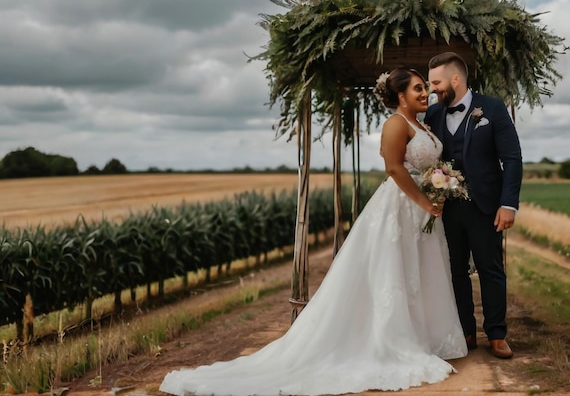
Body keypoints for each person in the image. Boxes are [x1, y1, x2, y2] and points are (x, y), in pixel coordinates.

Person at [159, 68, 468, 396]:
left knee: (419, 271)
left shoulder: (424, 124)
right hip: (402, 205)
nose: (425, 94)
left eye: (425, 88)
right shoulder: (396, 124)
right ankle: (391, 340)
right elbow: (393, 168)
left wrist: (439, 187)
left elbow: (426, 165)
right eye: (418, 89)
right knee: (394, 270)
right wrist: (424, 200)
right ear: (401, 96)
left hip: (422, 210)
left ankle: (424, 336)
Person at [425, 52, 523, 359]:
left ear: (456, 79)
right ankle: (465, 332)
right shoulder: (433, 115)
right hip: (447, 208)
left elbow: (512, 159)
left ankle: (496, 334)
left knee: (490, 270)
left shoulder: (492, 109)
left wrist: (508, 204)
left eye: (437, 83)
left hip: (485, 207)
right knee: (454, 271)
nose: (433, 90)